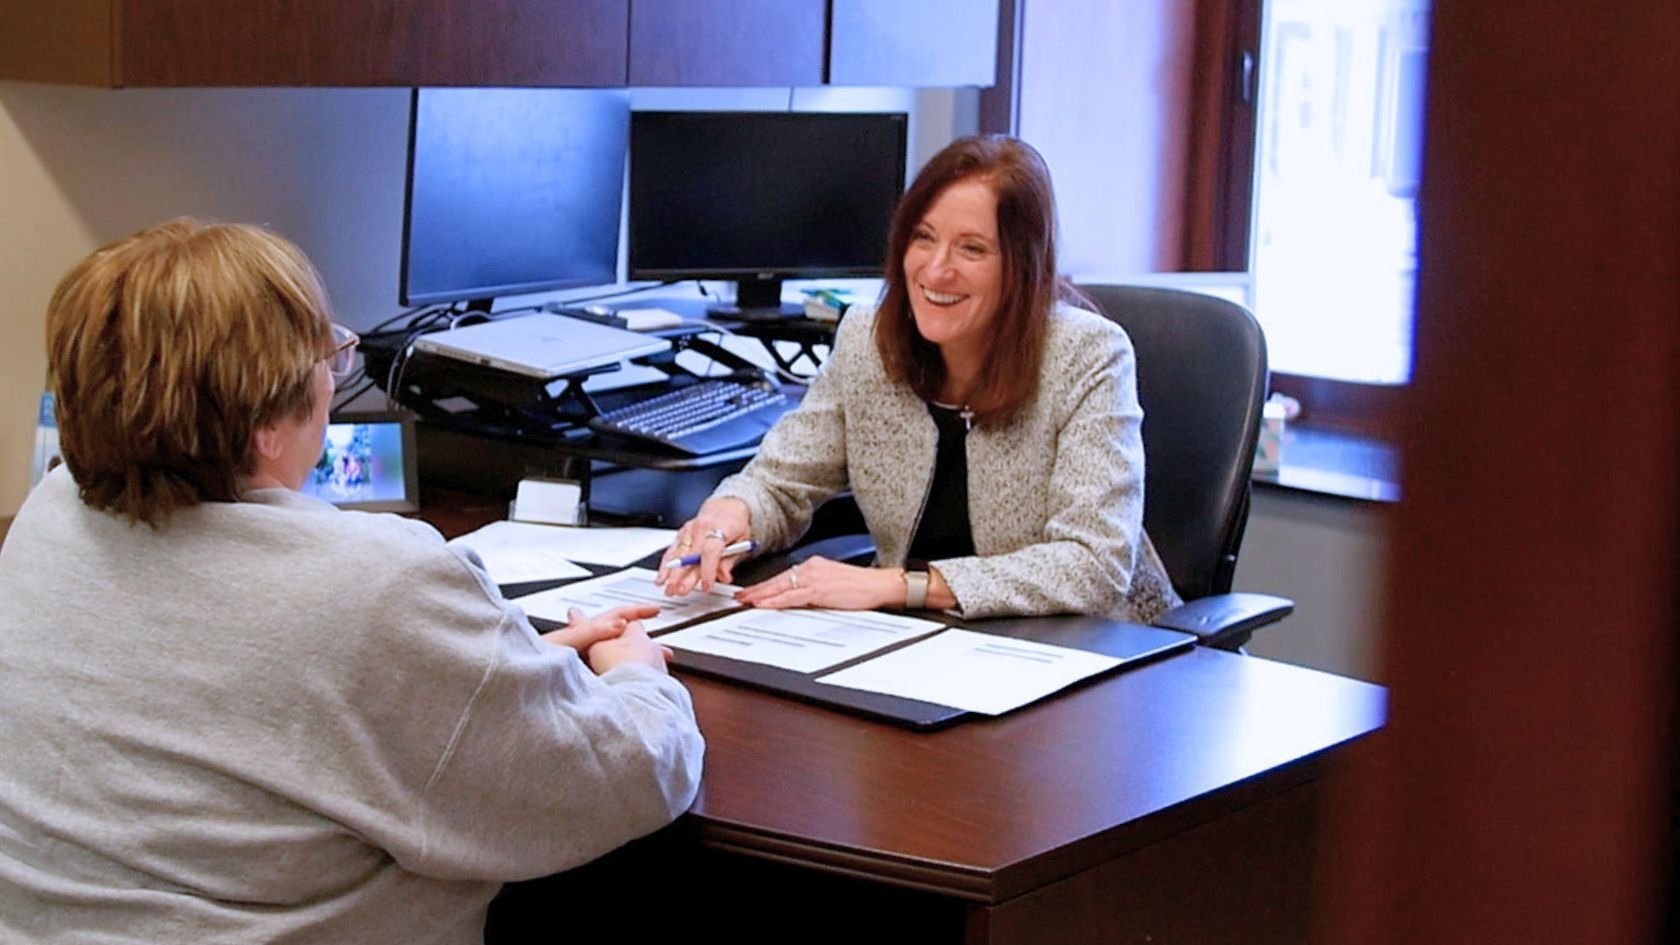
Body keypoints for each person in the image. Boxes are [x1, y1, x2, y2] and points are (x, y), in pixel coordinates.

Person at [0, 219, 704, 944]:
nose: (332, 382)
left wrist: (479, 673)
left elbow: (226, 693)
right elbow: (624, 779)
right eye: (327, 358)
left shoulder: (49, 515)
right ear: (265, 429)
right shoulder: (376, 581)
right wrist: (640, 678)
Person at [658, 135, 1180, 622]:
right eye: (923, 238)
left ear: (1022, 267)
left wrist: (898, 586)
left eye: (972, 249)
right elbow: (779, 481)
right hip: (917, 648)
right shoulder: (867, 339)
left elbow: (1094, 565)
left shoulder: (1086, 354)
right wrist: (725, 521)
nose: (934, 270)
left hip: (1090, 653)